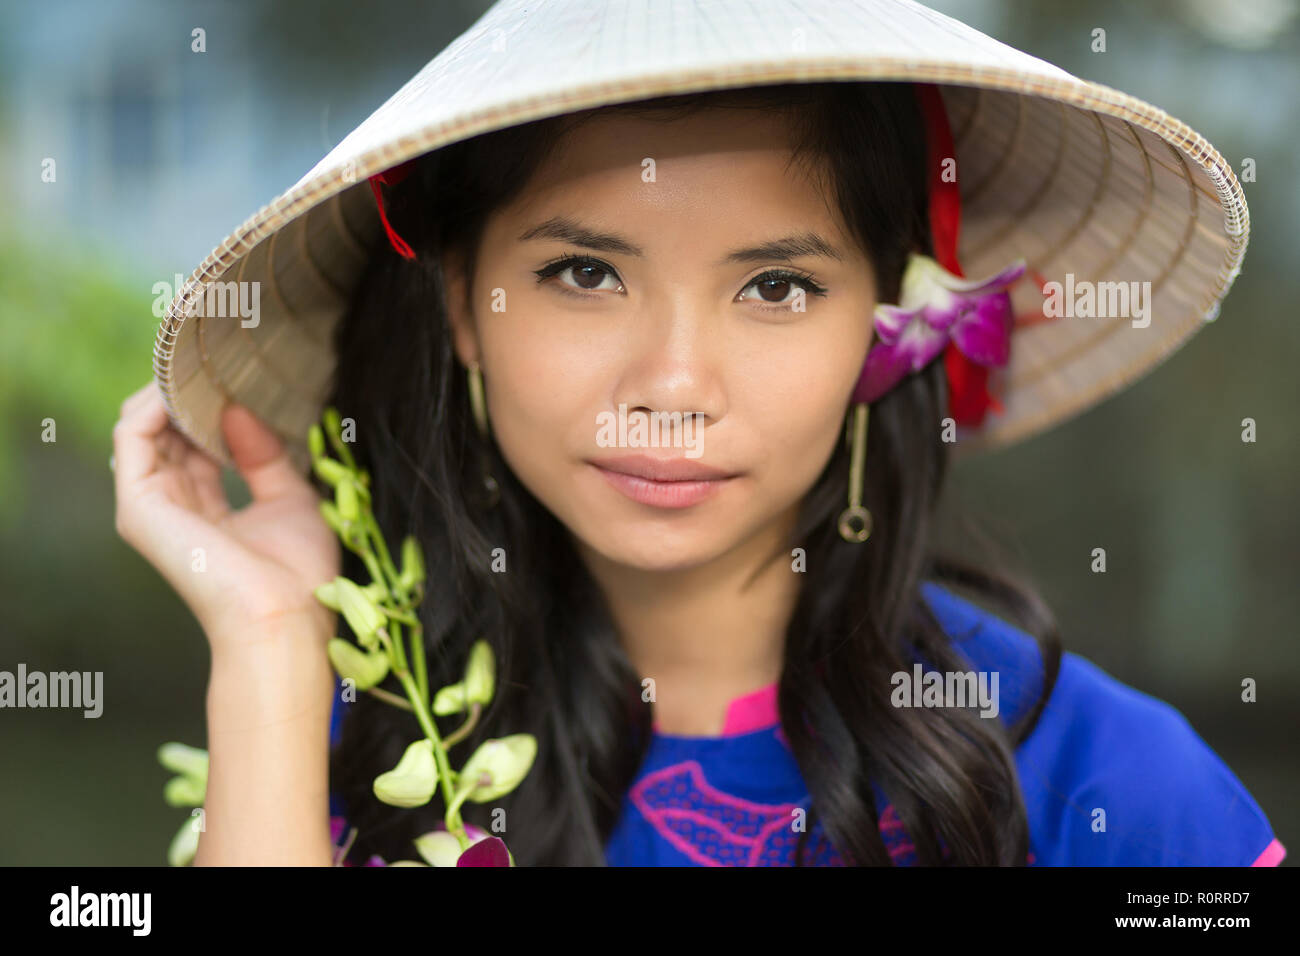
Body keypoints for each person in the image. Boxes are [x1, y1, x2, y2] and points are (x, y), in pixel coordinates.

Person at [114, 0, 1284, 866]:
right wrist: (267, 641)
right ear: (465, 305)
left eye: (775, 288)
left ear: (886, 327)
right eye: (583, 272)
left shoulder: (1104, 782)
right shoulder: (350, 756)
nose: (671, 383)